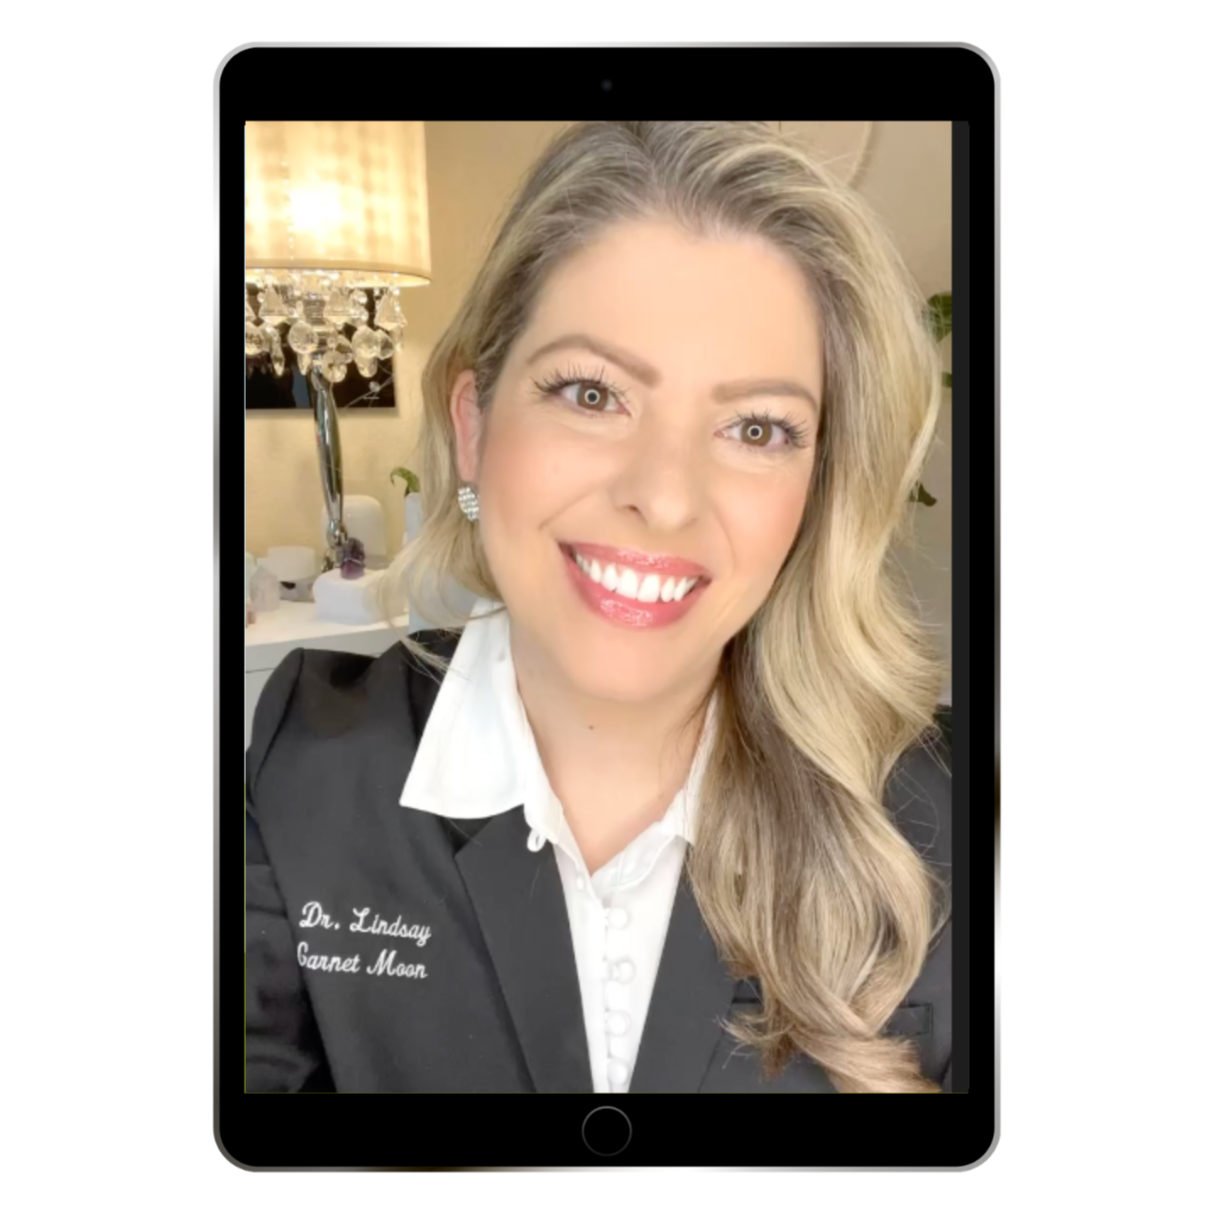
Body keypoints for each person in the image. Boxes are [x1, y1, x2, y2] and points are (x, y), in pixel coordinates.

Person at [245, 120, 953, 1095]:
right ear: (473, 425)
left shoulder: (955, 806)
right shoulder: (302, 762)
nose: (663, 496)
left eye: (756, 428)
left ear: (818, 488)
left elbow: (1131, 1119)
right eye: (592, 393)